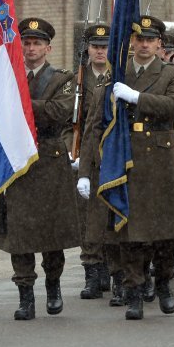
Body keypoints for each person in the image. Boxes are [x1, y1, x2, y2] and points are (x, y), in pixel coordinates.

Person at [78, 14, 174, 319]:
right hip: (124, 162)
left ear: (159, 44)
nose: (144, 44)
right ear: (131, 42)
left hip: (161, 161)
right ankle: (134, 292)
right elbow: (94, 128)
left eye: (150, 40)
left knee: (165, 234)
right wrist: (86, 172)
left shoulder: (172, 74)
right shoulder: (117, 74)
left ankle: (164, 282)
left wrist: (138, 97)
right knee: (129, 234)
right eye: (139, 39)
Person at [0, 17, 80, 321]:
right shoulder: (8, 76)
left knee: (51, 234)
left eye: (37, 43)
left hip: (50, 159)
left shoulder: (63, 78)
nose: (31, 48)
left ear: (48, 47)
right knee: (20, 233)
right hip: (18, 161)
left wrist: (20, 104)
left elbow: (59, 112)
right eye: (27, 42)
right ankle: (25, 296)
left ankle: (53, 285)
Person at [71, 23, 118, 300]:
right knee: (87, 219)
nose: (100, 51)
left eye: (105, 47)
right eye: (95, 46)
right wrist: (71, 150)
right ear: (87, 49)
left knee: (111, 216)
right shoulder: (77, 80)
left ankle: (113, 270)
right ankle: (92, 271)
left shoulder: (119, 78)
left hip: (111, 154)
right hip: (85, 154)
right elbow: (71, 121)